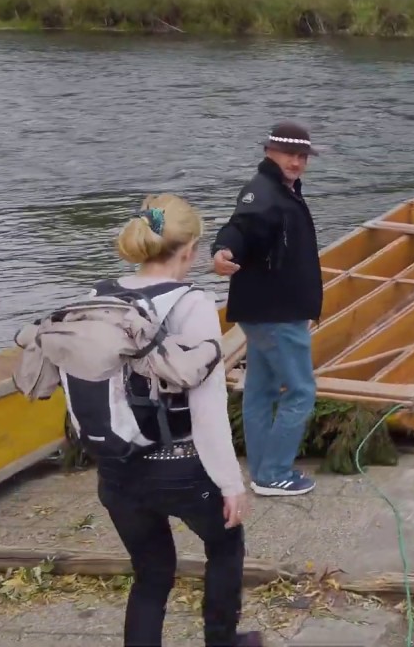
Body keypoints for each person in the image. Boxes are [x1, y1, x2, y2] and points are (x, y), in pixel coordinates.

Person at [97, 195, 261, 647]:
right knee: (225, 546)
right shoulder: (191, 305)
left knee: (151, 574)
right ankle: (222, 642)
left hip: (118, 467)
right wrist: (231, 482)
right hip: (182, 466)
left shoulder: (97, 296)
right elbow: (207, 405)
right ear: (189, 249)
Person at [211, 121, 323, 498]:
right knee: (301, 392)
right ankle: (274, 473)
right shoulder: (263, 194)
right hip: (277, 313)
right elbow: (240, 228)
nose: (297, 162)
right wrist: (224, 251)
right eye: (290, 154)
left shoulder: (283, 190)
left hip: (266, 310)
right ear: (269, 152)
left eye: (303, 156)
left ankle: (261, 470)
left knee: (260, 390)